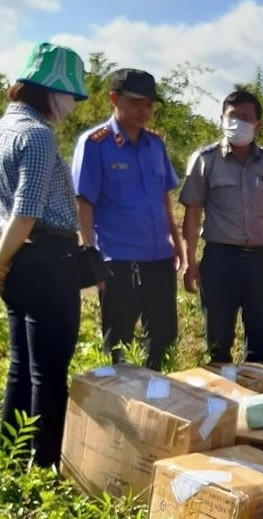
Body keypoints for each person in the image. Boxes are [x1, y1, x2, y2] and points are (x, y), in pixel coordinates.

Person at [0, 42, 88, 467]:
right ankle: (45, 462)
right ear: (50, 91)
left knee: (21, 365)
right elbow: (26, 212)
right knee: (50, 371)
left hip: (20, 258)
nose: (72, 106)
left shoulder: (5, 129)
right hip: (47, 260)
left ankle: (11, 453)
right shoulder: (36, 135)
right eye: (71, 96)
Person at [72, 68, 182, 371]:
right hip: (118, 262)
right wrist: (91, 255)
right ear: (113, 99)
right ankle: (118, 399)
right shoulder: (95, 144)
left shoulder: (155, 144)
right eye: (136, 103)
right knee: (118, 346)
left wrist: (179, 248)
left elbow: (164, 200)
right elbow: (84, 203)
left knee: (163, 341)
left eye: (149, 104)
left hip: (159, 258)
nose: (144, 111)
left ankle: (158, 396)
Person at [180, 90, 263, 365]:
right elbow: (192, 212)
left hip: (260, 260)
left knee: (260, 340)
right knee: (218, 341)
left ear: (258, 125)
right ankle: (220, 388)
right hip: (220, 259)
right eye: (232, 116)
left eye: (245, 118)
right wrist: (189, 261)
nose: (238, 123)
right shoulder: (205, 160)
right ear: (221, 119)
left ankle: (256, 387)